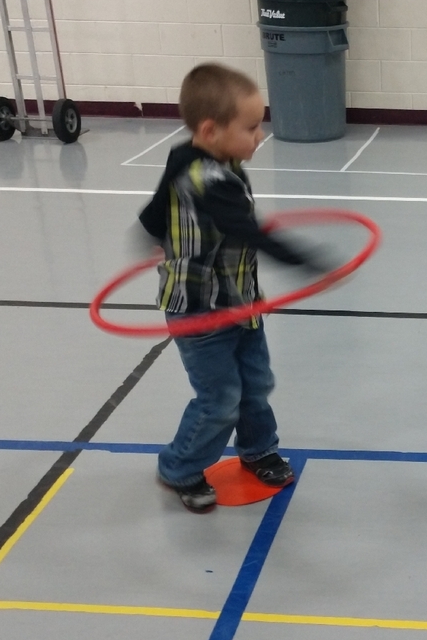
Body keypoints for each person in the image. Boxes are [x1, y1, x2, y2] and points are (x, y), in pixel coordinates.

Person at [139, 63, 329, 512]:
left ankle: (258, 448)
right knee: (220, 397)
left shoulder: (199, 155)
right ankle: (179, 467)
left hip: (240, 303)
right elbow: (251, 232)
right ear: (211, 130)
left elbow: (158, 203)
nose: (259, 136)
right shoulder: (211, 180)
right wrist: (310, 263)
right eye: (250, 127)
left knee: (255, 382)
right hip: (200, 312)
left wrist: (151, 233)